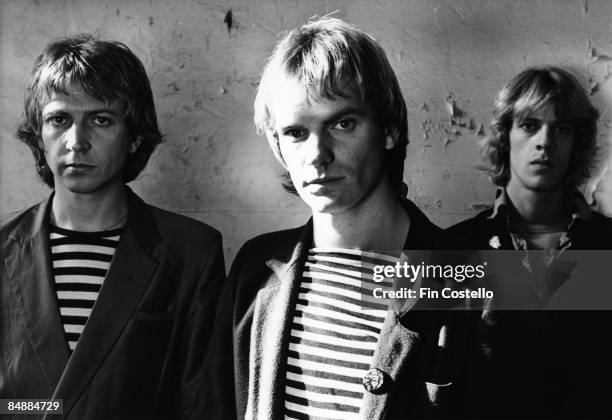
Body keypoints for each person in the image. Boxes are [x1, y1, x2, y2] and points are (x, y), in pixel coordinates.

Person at [201, 17, 475, 419]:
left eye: (343, 124)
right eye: (296, 132)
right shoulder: (254, 269)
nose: (318, 154)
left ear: (389, 130)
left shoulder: (466, 274)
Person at [0, 35, 225, 419]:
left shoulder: (191, 252)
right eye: (59, 119)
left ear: (135, 135)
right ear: (39, 133)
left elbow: (199, 404)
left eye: (101, 120)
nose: (76, 142)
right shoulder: (4, 248)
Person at [448, 66, 612, 417]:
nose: (545, 141)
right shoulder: (455, 248)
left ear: (575, 144)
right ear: (505, 135)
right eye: (529, 125)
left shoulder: (607, 245)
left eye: (562, 129)